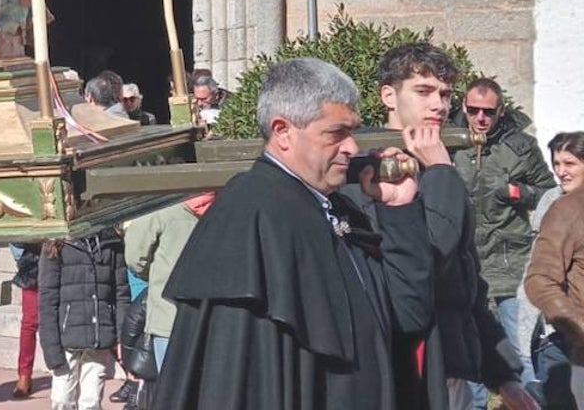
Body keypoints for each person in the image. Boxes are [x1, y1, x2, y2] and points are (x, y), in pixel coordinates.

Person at [152, 58, 437, 410]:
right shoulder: (253, 215)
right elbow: (241, 378)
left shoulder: (335, 208)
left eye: (352, 132)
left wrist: (398, 210)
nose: (351, 148)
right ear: (283, 131)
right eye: (336, 133)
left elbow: (407, 314)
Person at [375, 43, 537, 410]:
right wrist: (441, 172)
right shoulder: (365, 168)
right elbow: (432, 256)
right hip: (402, 367)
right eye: (423, 91)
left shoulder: (442, 164)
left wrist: (503, 375)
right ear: (389, 94)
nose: (439, 105)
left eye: (445, 94)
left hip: (451, 367)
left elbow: (465, 284)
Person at [451, 77, 555, 397]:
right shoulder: (449, 142)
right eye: (473, 110)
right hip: (463, 260)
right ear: (463, 108)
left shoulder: (519, 147)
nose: (480, 117)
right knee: (469, 350)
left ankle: (529, 403)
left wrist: (518, 192)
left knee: (519, 348)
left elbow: (549, 193)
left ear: (501, 111)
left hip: (508, 256)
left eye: (488, 111)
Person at [518, 132, 584, 408]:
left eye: (569, 164)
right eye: (557, 164)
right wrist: (577, 325)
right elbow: (539, 278)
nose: (561, 172)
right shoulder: (566, 209)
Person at [39, 228, 131, 410]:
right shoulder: (56, 244)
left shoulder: (111, 242)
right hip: (66, 338)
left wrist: (122, 337)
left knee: (91, 401)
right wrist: (51, 349)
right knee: (62, 399)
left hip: (99, 334)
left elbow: (121, 293)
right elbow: (47, 300)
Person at [125, 192, 213, 371]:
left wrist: (158, 276)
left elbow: (135, 257)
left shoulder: (161, 208)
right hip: (212, 319)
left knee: (169, 388)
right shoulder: (229, 206)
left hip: (167, 317)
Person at [11, 243, 41, 399]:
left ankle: (63, 372)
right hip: (34, 266)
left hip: (63, 259)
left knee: (60, 322)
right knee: (29, 323)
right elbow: (17, 239)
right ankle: (24, 375)